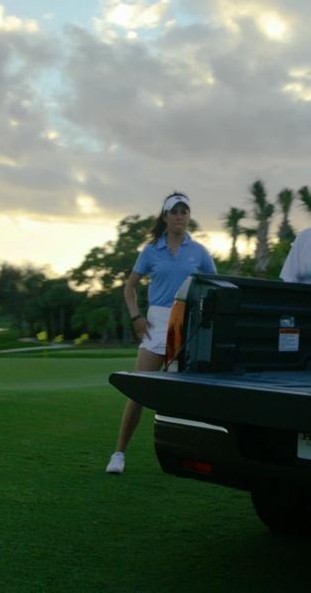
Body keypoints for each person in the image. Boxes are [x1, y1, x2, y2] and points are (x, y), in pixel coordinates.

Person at [106, 192, 217, 474]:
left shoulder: (199, 252)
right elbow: (129, 288)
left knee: (185, 393)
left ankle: (191, 456)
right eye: (174, 211)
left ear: (188, 216)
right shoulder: (151, 250)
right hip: (156, 322)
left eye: (184, 211)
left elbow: (215, 286)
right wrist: (136, 316)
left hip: (187, 324)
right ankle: (119, 454)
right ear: (165, 217)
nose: (180, 216)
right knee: (139, 392)